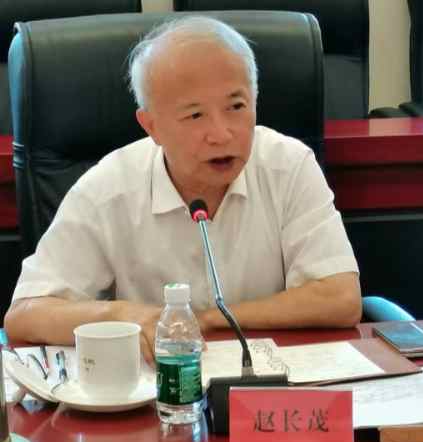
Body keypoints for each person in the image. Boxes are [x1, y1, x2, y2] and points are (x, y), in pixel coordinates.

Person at [4, 16, 362, 364]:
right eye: (195, 115)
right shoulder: (108, 188)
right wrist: (122, 316)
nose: (221, 134)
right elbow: (24, 314)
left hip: (268, 385)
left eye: (236, 106)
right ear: (151, 126)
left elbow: (340, 298)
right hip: (155, 390)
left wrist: (206, 320)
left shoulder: (288, 166)